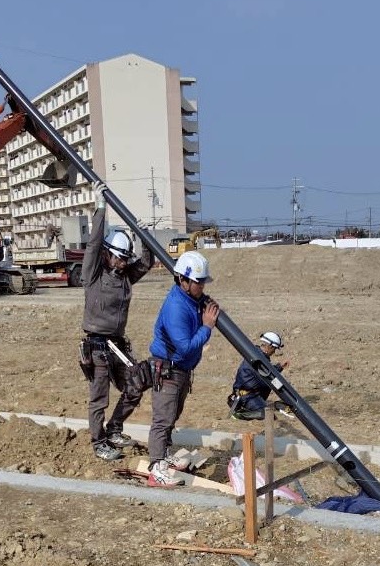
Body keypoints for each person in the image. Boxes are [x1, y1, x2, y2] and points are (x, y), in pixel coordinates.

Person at [81, 182, 154, 461]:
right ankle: (99, 442)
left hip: (118, 345)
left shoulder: (125, 278)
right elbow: (93, 244)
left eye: (125, 259)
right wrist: (101, 207)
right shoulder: (93, 275)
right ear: (108, 254)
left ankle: (114, 428)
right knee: (99, 397)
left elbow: (146, 262)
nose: (123, 264)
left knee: (135, 384)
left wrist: (143, 234)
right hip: (98, 346)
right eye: (119, 258)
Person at [147, 251, 220, 487]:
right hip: (168, 369)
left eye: (202, 282)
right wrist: (207, 327)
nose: (201, 287)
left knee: (172, 416)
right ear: (183, 280)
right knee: (163, 418)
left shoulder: (191, 299)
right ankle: (155, 467)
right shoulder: (176, 307)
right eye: (198, 282)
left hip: (180, 370)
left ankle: (165, 454)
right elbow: (186, 346)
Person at [227, 331, 289, 420]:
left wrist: (280, 367)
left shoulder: (256, 354)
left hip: (248, 395)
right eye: (274, 349)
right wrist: (279, 368)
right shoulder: (258, 359)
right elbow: (268, 377)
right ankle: (240, 415)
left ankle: (254, 407)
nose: (274, 352)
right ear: (270, 346)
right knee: (270, 417)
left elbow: (266, 372)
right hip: (247, 397)